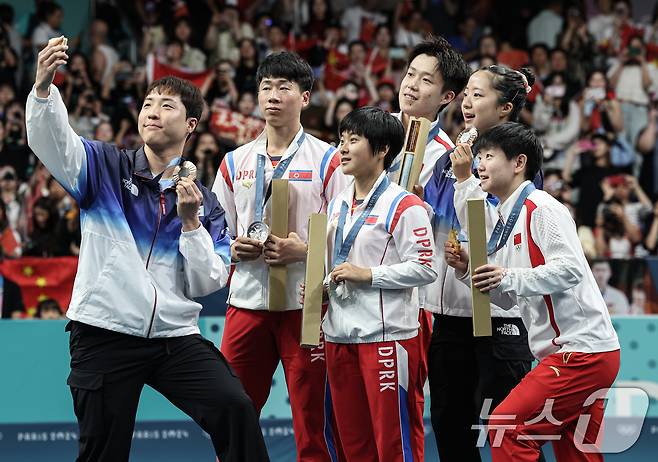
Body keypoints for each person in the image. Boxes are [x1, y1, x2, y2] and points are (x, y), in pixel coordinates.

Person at [26, 36, 269, 462]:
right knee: (103, 451)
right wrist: (44, 89)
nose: (153, 111)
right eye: (148, 104)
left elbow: (206, 282)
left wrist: (191, 224)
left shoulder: (205, 203)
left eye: (167, 105)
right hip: (104, 332)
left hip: (174, 337)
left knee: (236, 407)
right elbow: (54, 142)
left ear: (191, 124)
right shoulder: (104, 166)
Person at [445, 122, 620, 461]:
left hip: (580, 353)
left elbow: (569, 269)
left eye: (488, 156)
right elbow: (509, 297)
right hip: (578, 353)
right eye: (478, 156)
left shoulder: (542, 208)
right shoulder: (504, 218)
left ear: (518, 162)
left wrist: (507, 276)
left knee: (505, 428)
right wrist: (468, 269)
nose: (479, 164)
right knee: (578, 454)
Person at [212, 51, 349, 461]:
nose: (273, 95)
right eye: (266, 87)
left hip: (306, 307)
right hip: (247, 303)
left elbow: (347, 233)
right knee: (233, 411)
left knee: (314, 421)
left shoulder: (329, 160)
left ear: (304, 97)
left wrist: (303, 250)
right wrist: (233, 246)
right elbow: (216, 231)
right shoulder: (233, 161)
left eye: (284, 87)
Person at [427, 64, 539, 462]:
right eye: (467, 92)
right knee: (450, 424)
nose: (466, 101)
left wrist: (465, 180)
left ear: (505, 107)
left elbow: (504, 231)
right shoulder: (454, 152)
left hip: (498, 312)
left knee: (508, 428)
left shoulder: (515, 159)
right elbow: (439, 219)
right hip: (448, 311)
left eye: (478, 94)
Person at [324, 106, 437, 461]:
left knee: (394, 445)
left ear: (383, 149)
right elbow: (338, 261)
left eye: (353, 140)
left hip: (386, 340)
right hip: (339, 335)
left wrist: (368, 274)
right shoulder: (339, 203)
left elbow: (426, 268)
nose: (342, 148)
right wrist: (322, 285)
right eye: (341, 140)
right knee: (353, 445)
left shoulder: (405, 206)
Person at [387, 34, 470, 457]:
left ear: (447, 97)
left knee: (403, 406)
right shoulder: (367, 135)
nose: (412, 85)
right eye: (410, 75)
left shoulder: (449, 158)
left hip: (411, 303)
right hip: (351, 291)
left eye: (426, 81)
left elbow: (456, 233)